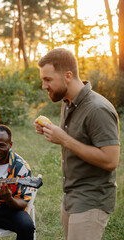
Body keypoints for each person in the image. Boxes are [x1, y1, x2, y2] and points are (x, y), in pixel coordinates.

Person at [34, 48, 120, 240]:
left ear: (68, 75)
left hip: (91, 200)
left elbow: (110, 160)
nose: (43, 86)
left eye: (48, 79)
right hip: (71, 196)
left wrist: (63, 139)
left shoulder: (98, 109)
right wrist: (53, 132)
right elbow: (78, 141)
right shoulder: (68, 102)